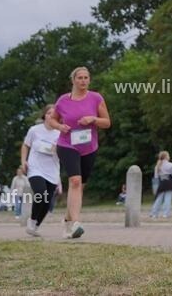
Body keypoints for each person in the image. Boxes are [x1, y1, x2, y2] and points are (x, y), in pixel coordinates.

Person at [46, 66, 111, 239]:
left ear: (89, 80)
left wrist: (94, 119)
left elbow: (107, 122)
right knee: (75, 181)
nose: (83, 81)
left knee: (79, 187)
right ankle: (76, 224)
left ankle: (67, 219)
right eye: (80, 78)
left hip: (89, 147)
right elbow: (52, 119)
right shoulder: (63, 101)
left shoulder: (96, 98)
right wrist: (60, 126)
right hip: (67, 145)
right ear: (73, 80)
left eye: (86, 78)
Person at [21, 103, 61, 237]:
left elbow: (65, 154)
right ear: (44, 115)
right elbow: (25, 146)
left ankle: (36, 226)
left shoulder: (60, 133)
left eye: (54, 114)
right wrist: (23, 161)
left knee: (47, 201)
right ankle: (32, 220)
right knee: (40, 193)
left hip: (52, 170)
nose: (51, 116)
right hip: (35, 168)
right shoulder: (34, 130)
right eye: (49, 113)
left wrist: (59, 150)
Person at [149, 151, 172, 219]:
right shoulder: (170, 164)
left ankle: (154, 213)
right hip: (169, 182)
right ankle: (165, 214)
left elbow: (156, 177)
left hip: (161, 182)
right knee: (168, 198)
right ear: (166, 157)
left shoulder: (157, 165)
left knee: (159, 198)